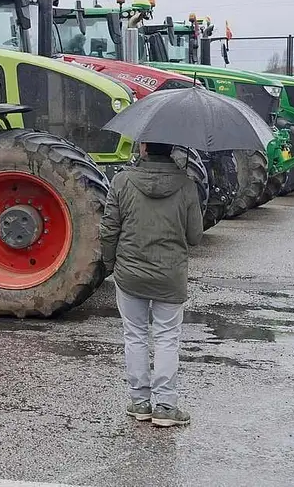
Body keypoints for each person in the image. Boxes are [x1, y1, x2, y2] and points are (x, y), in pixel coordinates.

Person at [101, 141, 204, 427]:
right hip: (169, 275)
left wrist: (110, 264)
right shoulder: (186, 184)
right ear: (172, 148)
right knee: (167, 338)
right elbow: (195, 236)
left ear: (144, 147)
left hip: (129, 273)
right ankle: (166, 407)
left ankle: (140, 403)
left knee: (134, 336)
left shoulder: (122, 181)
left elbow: (109, 228)